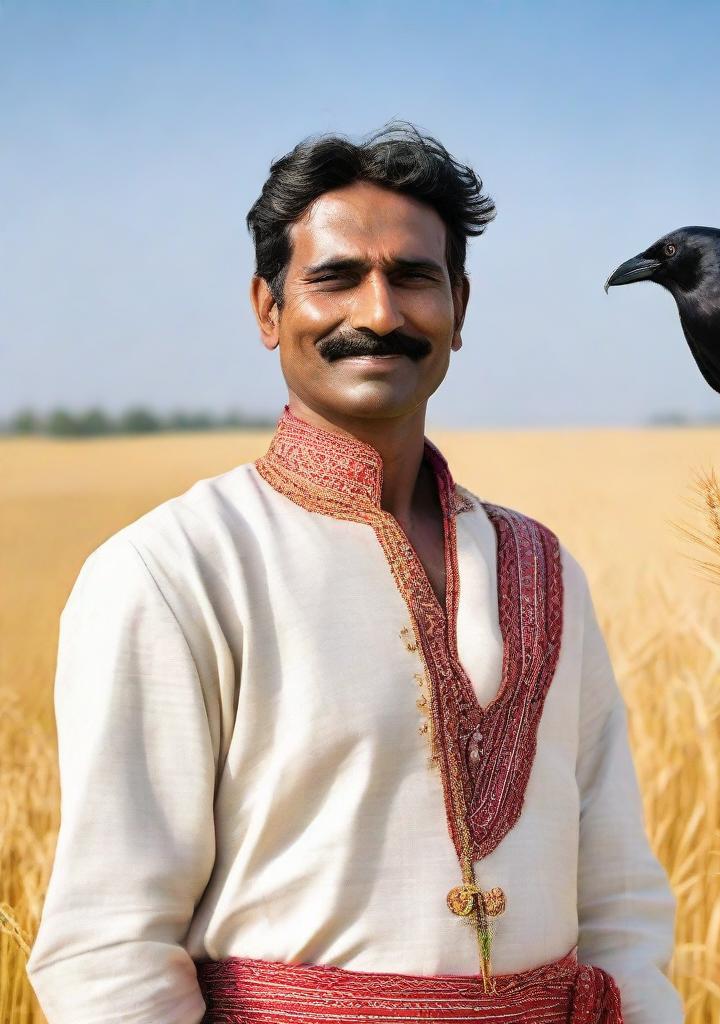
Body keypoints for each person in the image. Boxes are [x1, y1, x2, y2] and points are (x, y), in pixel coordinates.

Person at [26, 121, 685, 1023]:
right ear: (268, 309)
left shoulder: (543, 565)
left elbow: (621, 908)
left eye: (414, 277)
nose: (378, 313)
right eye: (335, 278)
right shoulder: (174, 570)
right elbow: (108, 948)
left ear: (459, 303)